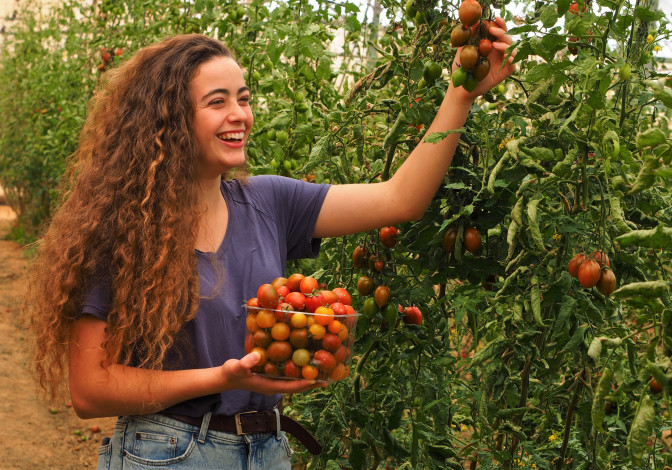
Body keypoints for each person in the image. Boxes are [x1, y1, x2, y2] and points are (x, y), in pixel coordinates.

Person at [25, 23, 515, 469]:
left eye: (244, 98)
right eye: (217, 102)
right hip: (170, 452)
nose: (239, 115)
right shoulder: (124, 230)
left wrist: (461, 94)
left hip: (267, 449)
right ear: (168, 120)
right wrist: (223, 379)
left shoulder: (269, 200)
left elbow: (400, 198)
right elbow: (90, 391)